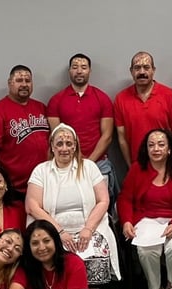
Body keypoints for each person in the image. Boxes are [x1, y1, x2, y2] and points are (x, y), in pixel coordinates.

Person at [26, 124, 121, 289]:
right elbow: (32, 205)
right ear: (52, 146)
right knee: (54, 257)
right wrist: (59, 232)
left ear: (75, 146)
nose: (64, 148)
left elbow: (103, 200)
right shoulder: (41, 170)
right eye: (59, 143)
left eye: (69, 143)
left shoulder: (90, 167)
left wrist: (88, 230)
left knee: (95, 256)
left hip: (88, 228)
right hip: (53, 230)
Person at [117, 129, 172, 289]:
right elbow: (125, 198)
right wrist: (126, 221)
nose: (156, 148)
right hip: (146, 219)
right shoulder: (137, 168)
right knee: (145, 249)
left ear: (169, 149)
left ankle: (171, 288)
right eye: (151, 145)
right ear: (146, 148)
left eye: (161, 144)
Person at [47, 53, 118, 209]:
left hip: (98, 164)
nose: (79, 71)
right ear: (69, 71)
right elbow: (57, 137)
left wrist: (88, 163)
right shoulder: (56, 100)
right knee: (71, 209)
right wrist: (74, 163)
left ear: (89, 71)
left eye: (83, 67)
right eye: (75, 67)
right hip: (66, 165)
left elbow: (107, 136)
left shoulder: (102, 98)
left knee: (101, 208)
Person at [0, 65, 49, 194]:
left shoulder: (41, 107)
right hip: (15, 188)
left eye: (28, 81)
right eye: (19, 80)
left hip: (43, 184)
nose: (24, 84)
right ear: (10, 83)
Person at [114, 51, 172, 165]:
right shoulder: (120, 99)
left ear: (153, 70)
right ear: (131, 71)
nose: (142, 72)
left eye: (146, 67)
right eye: (137, 68)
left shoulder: (169, 95)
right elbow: (122, 139)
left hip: (166, 164)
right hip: (138, 165)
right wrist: (131, 166)